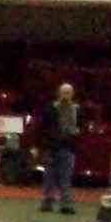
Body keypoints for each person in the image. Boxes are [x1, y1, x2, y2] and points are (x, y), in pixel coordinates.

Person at [37, 82, 80, 214]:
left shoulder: (77, 109)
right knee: (48, 176)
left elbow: (80, 127)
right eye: (63, 92)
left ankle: (66, 204)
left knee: (65, 177)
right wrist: (39, 145)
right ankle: (47, 202)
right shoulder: (50, 108)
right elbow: (42, 128)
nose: (66, 95)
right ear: (58, 93)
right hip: (51, 147)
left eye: (68, 92)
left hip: (68, 148)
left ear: (72, 94)